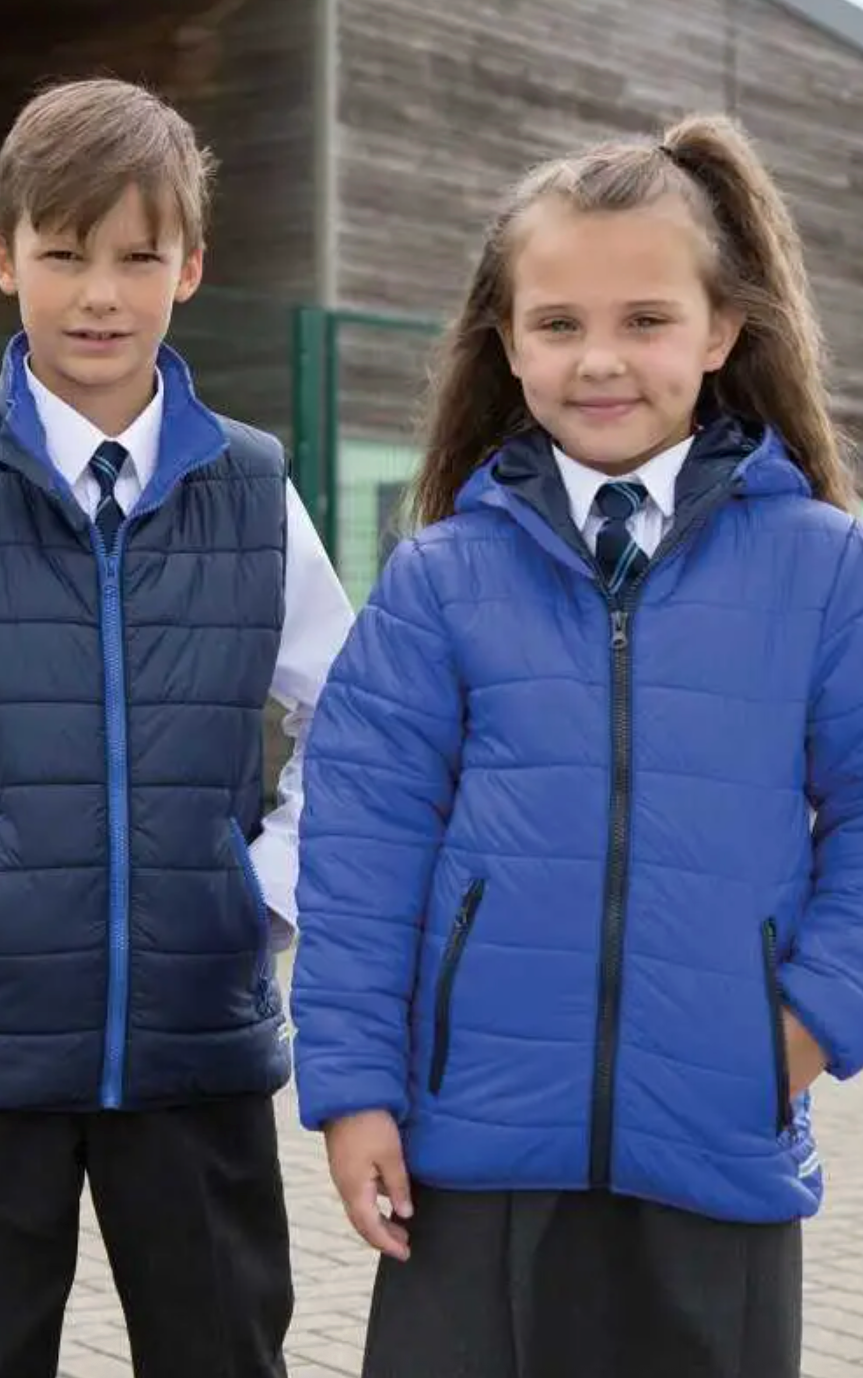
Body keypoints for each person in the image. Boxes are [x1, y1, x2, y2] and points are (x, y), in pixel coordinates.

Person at [291, 114, 863, 1378]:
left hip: (714, 1148)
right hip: (475, 1152)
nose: (599, 359)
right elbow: (361, 843)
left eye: (646, 319)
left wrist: (810, 1022)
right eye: (557, 323)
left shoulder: (830, 570)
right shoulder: (439, 580)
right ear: (508, 342)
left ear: (721, 331)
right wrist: (355, 1086)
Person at [0, 78, 354, 1378]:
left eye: (138, 257)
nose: (99, 294)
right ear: (6, 258)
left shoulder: (253, 489)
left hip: (198, 1043)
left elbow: (352, 715)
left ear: (191, 267)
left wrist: (269, 885)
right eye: (63, 254)